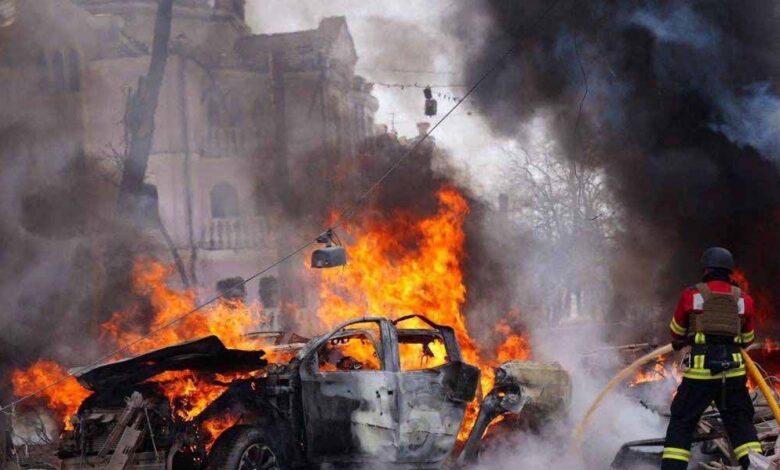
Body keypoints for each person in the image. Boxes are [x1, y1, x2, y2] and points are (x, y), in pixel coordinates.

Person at [662, 247, 760, 469]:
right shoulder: (744, 299)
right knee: (741, 426)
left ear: (706, 270)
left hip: (700, 375)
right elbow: (747, 339)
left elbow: (676, 331)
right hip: (733, 374)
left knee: (682, 423)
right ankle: (756, 466)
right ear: (730, 271)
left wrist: (687, 337)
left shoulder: (691, 294)